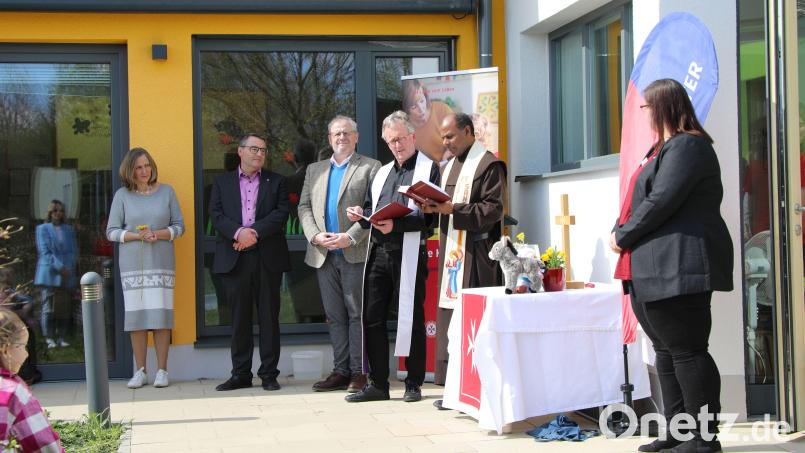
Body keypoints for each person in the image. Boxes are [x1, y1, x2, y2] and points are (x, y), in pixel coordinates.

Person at [609, 78, 733, 453]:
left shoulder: (689, 146)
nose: (643, 114)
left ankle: (702, 438)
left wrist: (623, 234)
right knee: (665, 351)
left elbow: (662, 200)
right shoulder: (661, 149)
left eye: (647, 107)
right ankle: (678, 431)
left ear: (664, 106)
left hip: (682, 267)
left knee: (687, 350)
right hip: (655, 269)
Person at [344, 111, 439, 403]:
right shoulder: (382, 172)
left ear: (412, 136)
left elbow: (431, 218)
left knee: (411, 317)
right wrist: (360, 217)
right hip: (379, 251)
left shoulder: (429, 168)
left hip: (410, 250)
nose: (396, 146)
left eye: (400, 139)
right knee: (372, 317)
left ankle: (413, 383)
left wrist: (396, 224)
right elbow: (374, 209)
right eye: (390, 141)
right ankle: (377, 384)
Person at [420, 112, 506, 407]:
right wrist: (431, 207)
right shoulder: (449, 166)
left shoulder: (489, 164)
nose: (446, 143)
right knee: (451, 324)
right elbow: (446, 206)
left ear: (468, 131)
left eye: (450, 136)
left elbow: (493, 210)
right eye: (443, 138)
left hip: (477, 257)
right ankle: (453, 389)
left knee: (473, 326)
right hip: (454, 255)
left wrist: (452, 210)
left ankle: (479, 387)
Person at [298, 116, 380, 393]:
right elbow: (304, 207)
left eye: (346, 133)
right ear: (329, 138)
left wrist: (350, 237)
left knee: (357, 314)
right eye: (336, 133)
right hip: (322, 252)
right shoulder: (314, 170)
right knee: (334, 316)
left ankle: (359, 372)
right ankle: (341, 370)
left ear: (356, 137)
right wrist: (315, 235)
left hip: (353, 251)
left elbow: (374, 209)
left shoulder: (370, 167)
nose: (341, 137)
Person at [209, 133, 290, 392]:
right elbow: (216, 214)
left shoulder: (277, 182)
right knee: (239, 318)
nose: (259, 154)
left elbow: (280, 214)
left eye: (264, 151)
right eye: (254, 149)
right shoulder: (221, 183)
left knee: (268, 317)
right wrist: (238, 233)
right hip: (235, 257)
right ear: (240, 151)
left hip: (267, 257)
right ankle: (240, 374)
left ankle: (268, 374)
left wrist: (252, 234)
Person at [107, 148, 185, 389]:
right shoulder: (122, 196)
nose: (144, 171)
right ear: (130, 171)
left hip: (161, 263)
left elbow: (180, 227)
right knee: (137, 319)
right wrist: (135, 236)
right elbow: (111, 232)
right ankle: (140, 371)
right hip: (132, 266)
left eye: (147, 165)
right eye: (139, 167)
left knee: (161, 317)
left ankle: (162, 371)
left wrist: (158, 234)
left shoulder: (167, 192)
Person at [0, 309, 64, 452]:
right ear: (5, 349)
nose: (26, 354)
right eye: (22, 346)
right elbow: (43, 443)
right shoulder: (12, 391)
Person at [34, 200, 78, 350]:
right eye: (55, 210)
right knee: (48, 307)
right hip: (49, 273)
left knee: (64, 306)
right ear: (50, 212)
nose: (58, 213)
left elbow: (73, 250)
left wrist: (69, 267)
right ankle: (48, 337)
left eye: (61, 210)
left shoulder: (68, 229)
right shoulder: (42, 229)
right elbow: (44, 252)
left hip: (66, 273)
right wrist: (59, 267)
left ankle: (62, 336)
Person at [403, 79, 453, 162]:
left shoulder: (443, 110)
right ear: (407, 109)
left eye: (422, 101)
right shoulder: (405, 126)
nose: (421, 109)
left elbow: (459, 139)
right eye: (413, 107)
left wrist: (448, 153)